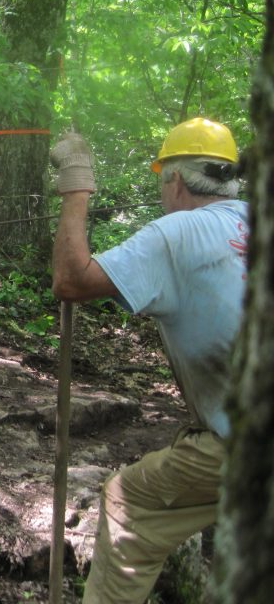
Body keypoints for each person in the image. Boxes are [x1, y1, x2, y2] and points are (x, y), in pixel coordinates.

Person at [50, 118, 248, 603]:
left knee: (130, 503)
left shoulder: (176, 232)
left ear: (174, 180)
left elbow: (72, 281)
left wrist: (77, 184)